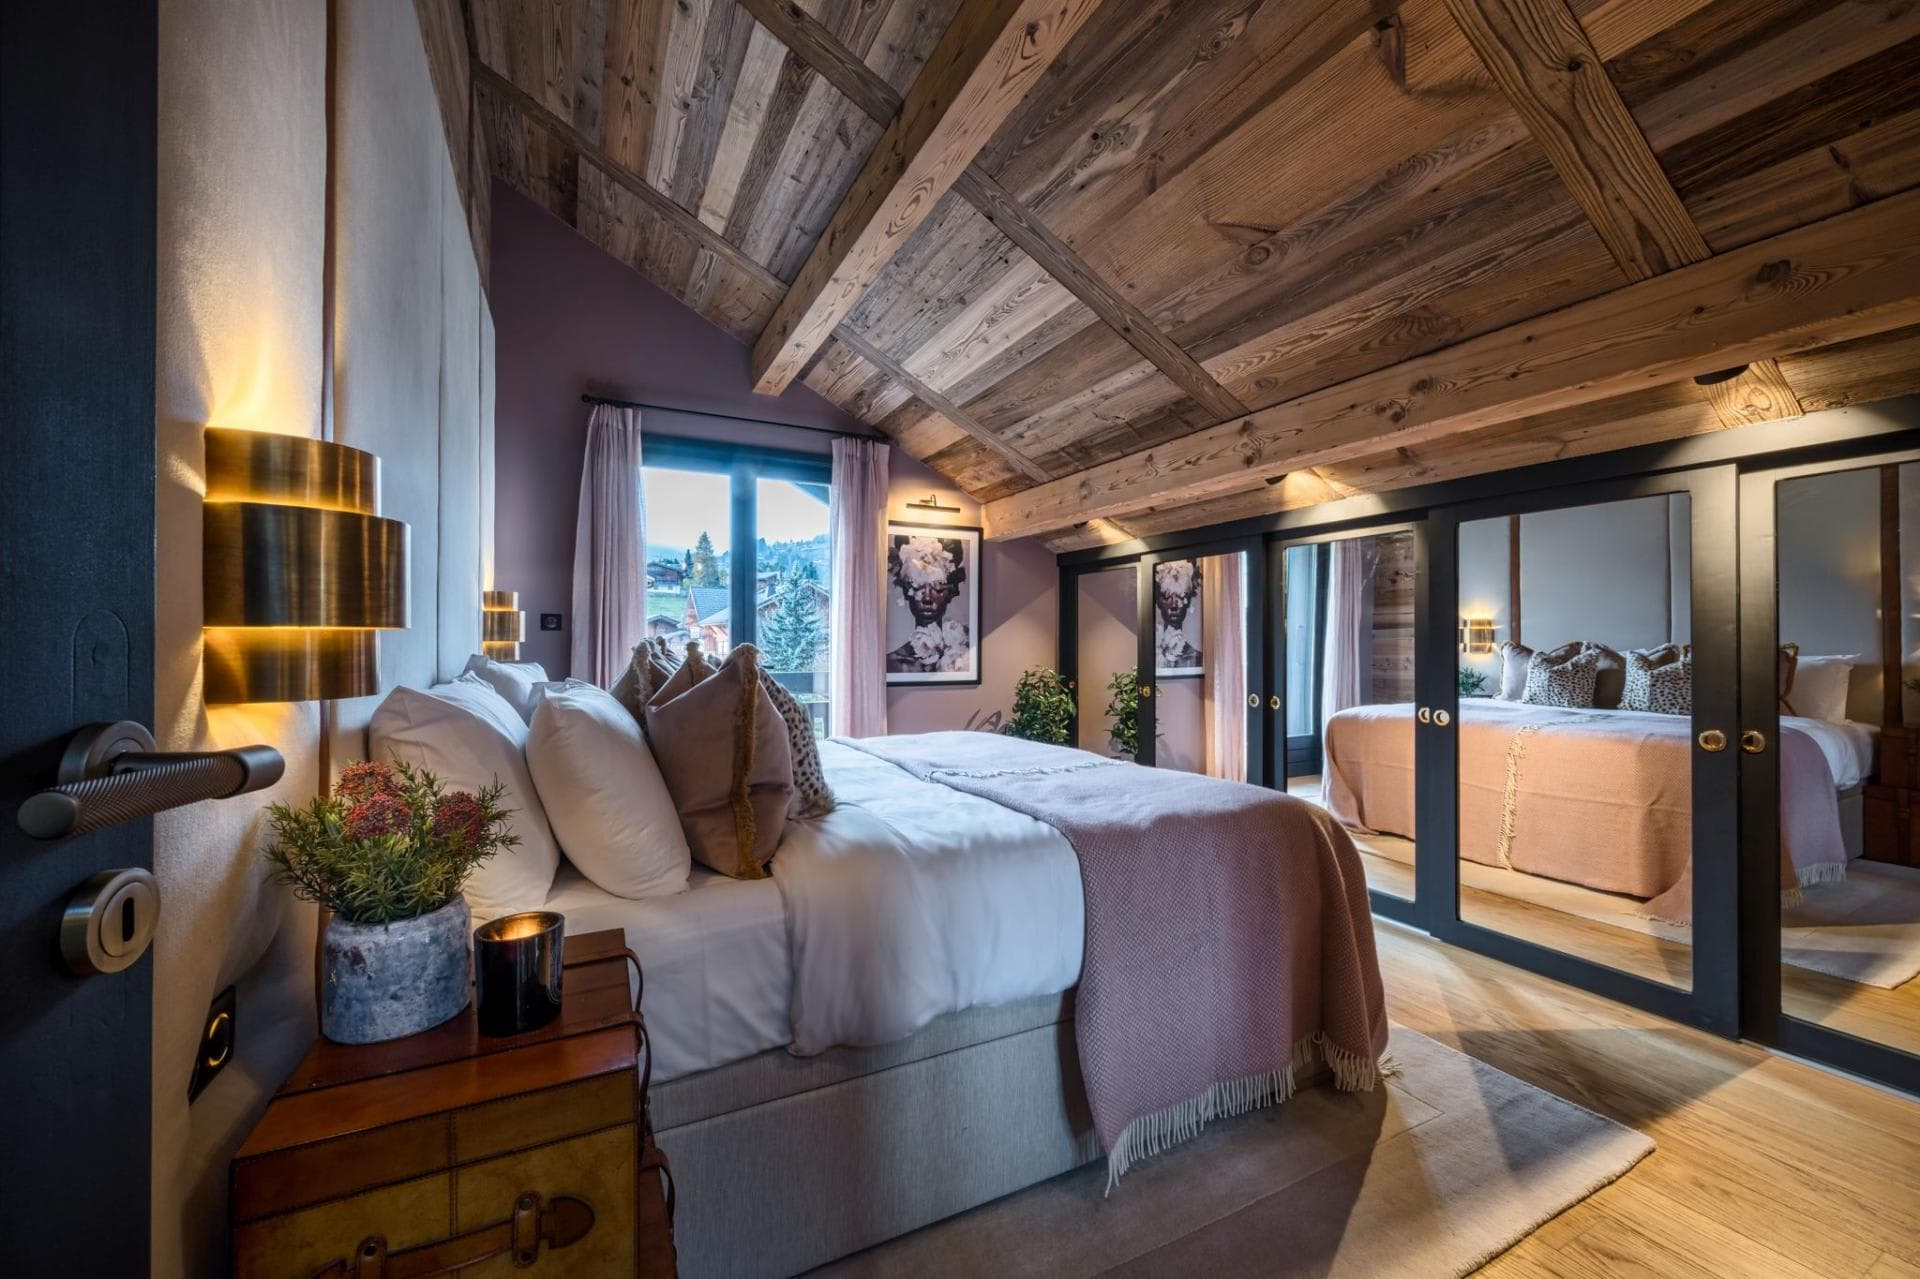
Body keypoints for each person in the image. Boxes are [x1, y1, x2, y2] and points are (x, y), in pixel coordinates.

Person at [886, 535, 971, 673]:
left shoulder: (967, 653)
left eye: (938, 588)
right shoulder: (891, 663)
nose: (927, 598)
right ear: (906, 591)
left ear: (951, 592)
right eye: (917, 587)